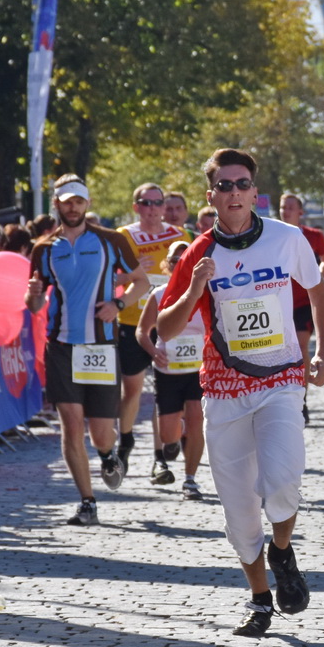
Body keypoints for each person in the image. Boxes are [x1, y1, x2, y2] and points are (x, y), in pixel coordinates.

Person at [158, 149, 324, 638]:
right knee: (237, 512)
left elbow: (317, 291)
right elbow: (166, 330)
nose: (234, 192)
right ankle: (259, 599)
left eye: (242, 184)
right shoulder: (198, 253)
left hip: (279, 379)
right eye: (224, 185)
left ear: (255, 191)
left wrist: (320, 354)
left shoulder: (287, 238)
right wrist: (193, 290)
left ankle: (282, 550)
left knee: (283, 479)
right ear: (210, 195)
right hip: (224, 389)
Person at [26, 175, 149, 526]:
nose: (73, 207)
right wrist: (34, 293)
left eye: (79, 201)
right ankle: (87, 501)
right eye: (67, 201)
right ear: (57, 204)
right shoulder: (44, 248)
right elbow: (34, 304)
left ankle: (108, 454)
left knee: (99, 431)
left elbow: (141, 281)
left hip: (101, 345)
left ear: (88, 203)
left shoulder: (112, 241)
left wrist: (119, 303)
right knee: (71, 424)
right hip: (62, 346)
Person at [117, 182, 190, 481]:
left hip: (170, 323)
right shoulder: (124, 236)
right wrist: (131, 274)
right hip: (134, 321)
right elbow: (110, 277)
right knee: (132, 389)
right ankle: (126, 442)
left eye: (157, 203)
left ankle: (160, 458)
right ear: (136, 207)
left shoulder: (180, 236)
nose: (152, 209)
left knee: (165, 392)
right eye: (145, 203)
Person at [134, 241, 206, 500]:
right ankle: (175, 438)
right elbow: (142, 331)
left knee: (197, 417)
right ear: (167, 265)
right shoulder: (159, 294)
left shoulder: (205, 293)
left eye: (184, 260)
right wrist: (154, 352)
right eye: (174, 261)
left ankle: (190, 480)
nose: (178, 265)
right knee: (168, 434)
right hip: (168, 371)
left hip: (198, 369)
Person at [280, 193, 324, 423]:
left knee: (301, 348)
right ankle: (282, 397)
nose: (286, 211)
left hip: (302, 302)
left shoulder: (313, 236)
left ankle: (301, 400)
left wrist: (317, 278)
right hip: (278, 302)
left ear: (300, 212)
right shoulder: (271, 234)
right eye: (283, 207)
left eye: (291, 207)